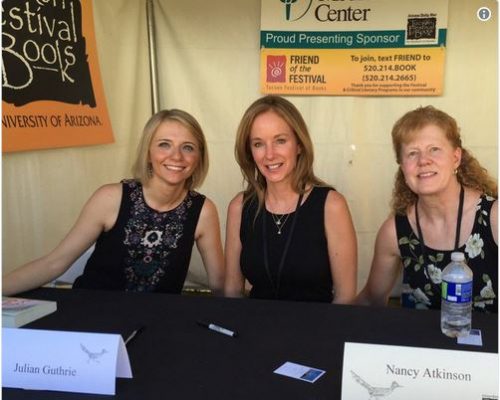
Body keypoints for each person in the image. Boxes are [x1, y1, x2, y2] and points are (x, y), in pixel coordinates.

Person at [3, 109, 224, 296]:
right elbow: (54, 263)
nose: (176, 157)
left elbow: (220, 286)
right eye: (164, 144)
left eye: (188, 147)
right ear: (148, 153)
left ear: (199, 157)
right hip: (94, 315)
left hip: (158, 324)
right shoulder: (110, 198)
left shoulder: (203, 211)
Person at [357, 106, 497, 312]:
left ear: (456, 158)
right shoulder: (395, 231)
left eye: (434, 149)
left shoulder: (494, 217)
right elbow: (371, 300)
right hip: (419, 343)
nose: (424, 161)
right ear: (402, 166)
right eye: (413, 153)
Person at [224, 95, 357, 303]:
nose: (270, 154)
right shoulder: (239, 207)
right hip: (255, 330)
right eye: (258, 144)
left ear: (299, 145)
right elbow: (232, 291)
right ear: (249, 152)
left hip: (316, 331)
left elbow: (345, 297)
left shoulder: (331, 205)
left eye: (280, 140)